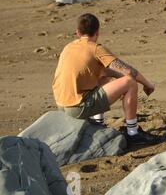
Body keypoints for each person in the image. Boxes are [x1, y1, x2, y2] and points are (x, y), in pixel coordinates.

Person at [52, 13, 156, 146]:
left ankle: (98, 123)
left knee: (103, 74)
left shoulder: (69, 47)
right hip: (78, 108)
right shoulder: (96, 49)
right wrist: (148, 85)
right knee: (130, 83)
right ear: (98, 32)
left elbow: (105, 72)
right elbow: (129, 72)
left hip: (61, 105)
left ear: (77, 33)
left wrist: (118, 79)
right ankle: (133, 132)